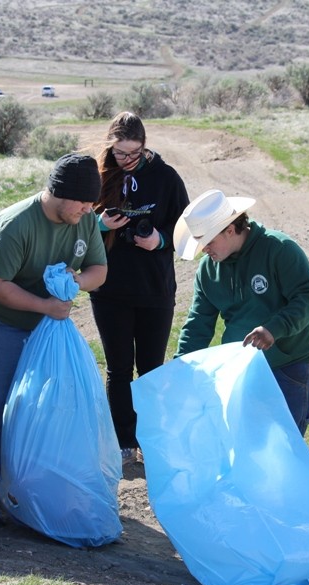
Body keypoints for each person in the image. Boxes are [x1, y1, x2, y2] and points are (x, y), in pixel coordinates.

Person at [0, 153, 108, 525]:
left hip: (44, 322)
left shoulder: (85, 219)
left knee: (47, 403)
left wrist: (75, 282)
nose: (88, 209)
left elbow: (99, 270)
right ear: (59, 193)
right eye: (82, 201)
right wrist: (45, 305)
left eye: (92, 202)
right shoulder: (17, 224)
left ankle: (32, 485)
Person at [173, 189, 309, 436]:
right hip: (240, 370)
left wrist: (274, 328)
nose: (204, 250)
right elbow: (198, 322)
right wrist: (181, 367)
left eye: (208, 242)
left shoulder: (279, 249)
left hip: (287, 365)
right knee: (245, 444)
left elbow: (308, 296)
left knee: (286, 444)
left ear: (230, 230)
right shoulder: (208, 270)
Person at [89, 112, 189, 465]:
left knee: (151, 368)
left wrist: (159, 240)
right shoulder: (98, 176)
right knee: (118, 368)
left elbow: (186, 230)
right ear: (110, 147)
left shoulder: (166, 178)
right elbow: (74, 226)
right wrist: (99, 225)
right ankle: (123, 442)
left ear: (145, 147)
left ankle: (152, 439)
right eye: (120, 153)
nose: (127, 160)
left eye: (133, 153)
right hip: (110, 289)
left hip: (154, 290)